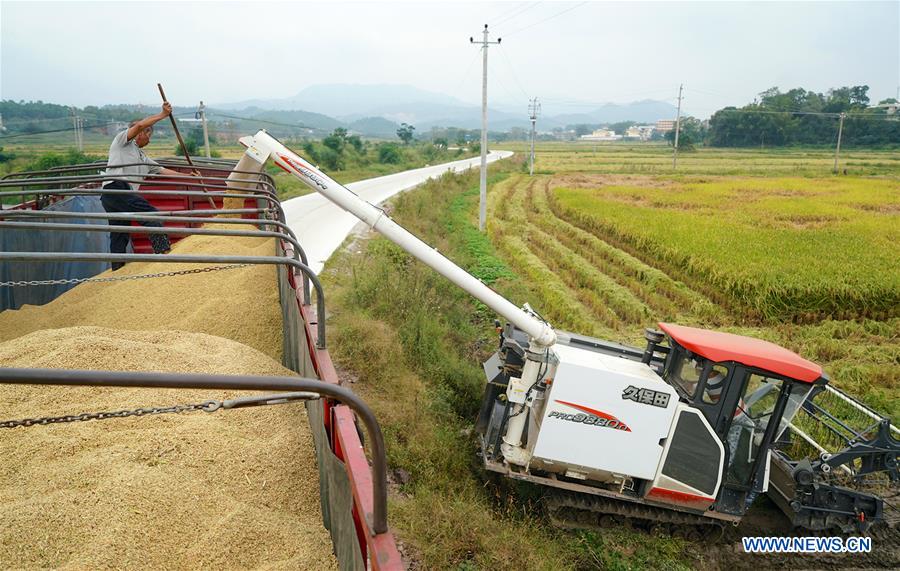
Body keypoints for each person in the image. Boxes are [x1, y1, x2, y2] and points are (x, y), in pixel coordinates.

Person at [102, 102, 197, 270]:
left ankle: (116, 270)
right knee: (151, 215)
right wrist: (162, 115)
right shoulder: (122, 141)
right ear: (142, 133)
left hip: (115, 195)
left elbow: (162, 170)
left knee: (120, 233)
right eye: (149, 134)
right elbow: (139, 125)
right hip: (116, 188)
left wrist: (188, 177)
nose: (149, 140)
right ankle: (163, 253)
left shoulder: (142, 156)